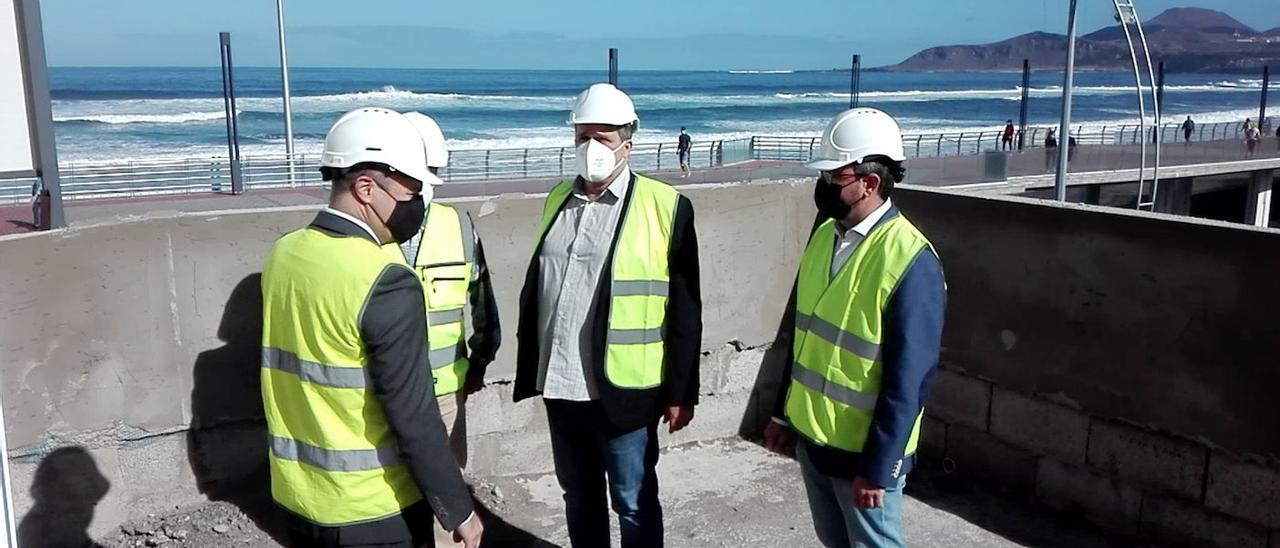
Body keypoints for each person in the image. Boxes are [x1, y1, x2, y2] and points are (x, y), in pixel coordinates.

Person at [260, 107, 483, 548]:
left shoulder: (284, 254)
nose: (416, 203)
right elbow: (414, 415)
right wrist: (458, 509)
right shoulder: (385, 278)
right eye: (410, 189)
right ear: (365, 187)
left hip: (297, 497)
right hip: (372, 509)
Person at [513, 83, 702, 548]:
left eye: (603, 137)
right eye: (582, 136)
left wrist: (682, 392)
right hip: (560, 387)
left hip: (626, 394)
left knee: (633, 501)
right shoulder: (557, 198)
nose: (591, 148)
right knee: (578, 497)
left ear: (628, 144)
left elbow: (685, 309)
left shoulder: (666, 207)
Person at [764, 107, 946, 548]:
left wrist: (880, 467)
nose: (824, 184)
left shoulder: (910, 260)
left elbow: (910, 381)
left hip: (863, 457)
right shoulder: (826, 236)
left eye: (835, 176)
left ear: (870, 182)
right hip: (814, 439)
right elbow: (803, 336)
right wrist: (781, 414)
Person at [390, 112, 502, 548]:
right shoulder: (363, 230)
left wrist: (479, 363)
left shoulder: (459, 227)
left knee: (446, 501)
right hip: (379, 391)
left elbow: (482, 303)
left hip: (443, 392)